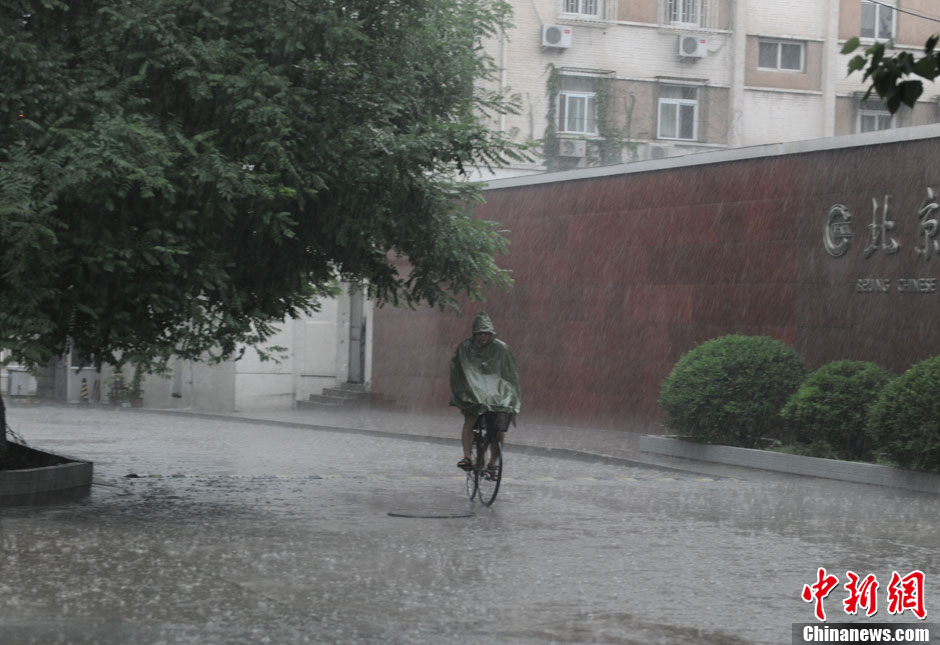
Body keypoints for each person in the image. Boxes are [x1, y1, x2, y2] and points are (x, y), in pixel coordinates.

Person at [449, 312, 521, 472]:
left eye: (486, 333)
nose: (483, 337)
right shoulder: (465, 348)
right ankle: (467, 457)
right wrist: (466, 390)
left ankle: (493, 463)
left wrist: (511, 395)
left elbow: (510, 374)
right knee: (470, 421)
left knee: (500, 427)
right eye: (480, 333)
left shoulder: (501, 348)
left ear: (491, 333)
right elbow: (461, 370)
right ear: (475, 333)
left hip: (496, 392)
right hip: (473, 390)